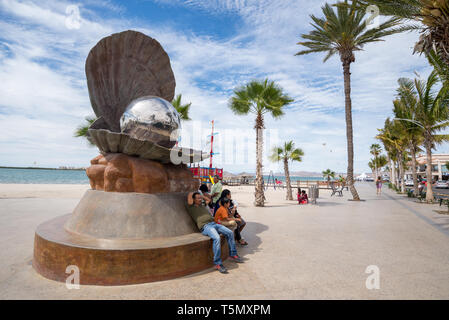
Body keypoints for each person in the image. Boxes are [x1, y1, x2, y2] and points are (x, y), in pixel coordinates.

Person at [185, 192, 243, 273]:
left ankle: (233, 254)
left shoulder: (202, 204)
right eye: (197, 198)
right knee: (217, 238)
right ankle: (218, 263)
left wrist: (201, 196)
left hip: (214, 223)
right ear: (193, 199)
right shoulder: (191, 207)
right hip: (206, 226)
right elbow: (189, 198)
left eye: (200, 198)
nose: (200, 199)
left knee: (229, 232)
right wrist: (193, 193)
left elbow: (208, 199)